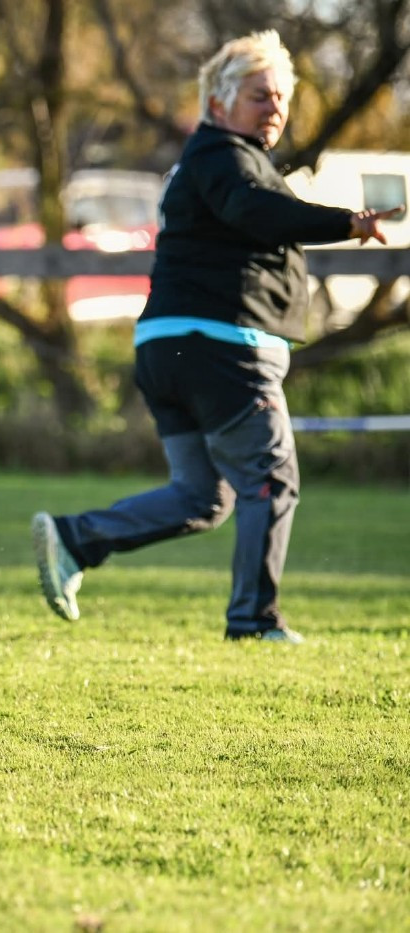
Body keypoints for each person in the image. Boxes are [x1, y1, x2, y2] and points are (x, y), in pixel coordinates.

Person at [31, 30, 398, 644]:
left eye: (282, 97)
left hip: (172, 348)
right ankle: (254, 621)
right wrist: (347, 222)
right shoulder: (224, 157)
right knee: (271, 480)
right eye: (261, 95)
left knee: (202, 497)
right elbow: (254, 211)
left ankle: (75, 538)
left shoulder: (210, 160)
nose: (275, 108)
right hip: (220, 352)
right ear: (219, 102)